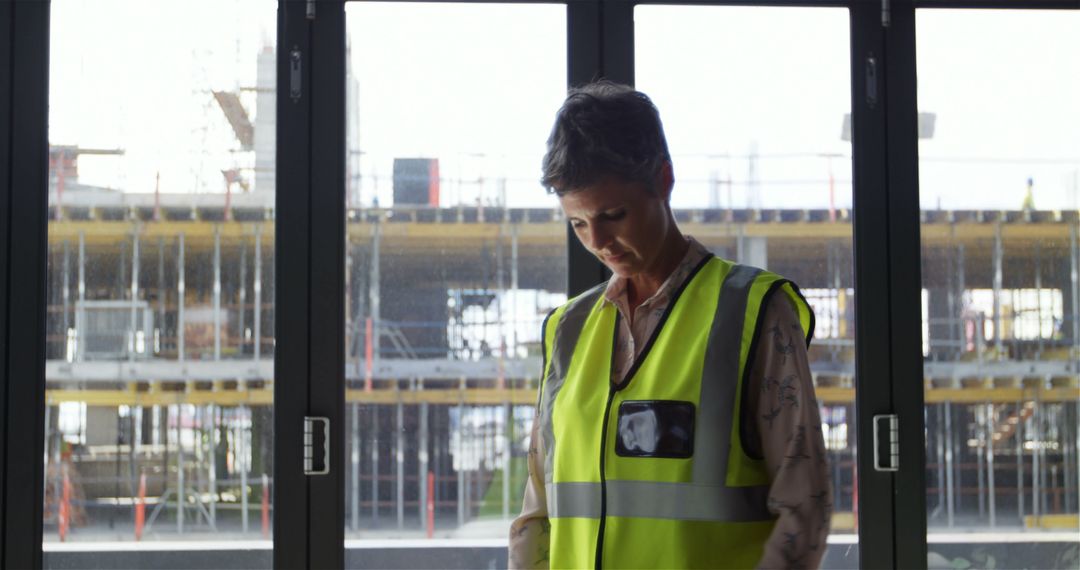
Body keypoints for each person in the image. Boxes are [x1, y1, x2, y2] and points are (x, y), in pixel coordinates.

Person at [508, 81, 831, 569]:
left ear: (663, 180)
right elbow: (538, 511)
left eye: (613, 215)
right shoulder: (567, 329)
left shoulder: (756, 313)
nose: (597, 241)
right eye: (576, 223)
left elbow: (803, 509)